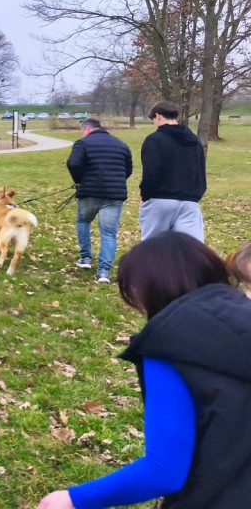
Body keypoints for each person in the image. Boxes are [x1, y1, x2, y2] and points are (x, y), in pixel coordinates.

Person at [37, 231, 251, 509]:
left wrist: (74, 499)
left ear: (146, 289)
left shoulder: (169, 345)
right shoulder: (243, 313)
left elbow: (164, 470)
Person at [66, 118, 133, 283]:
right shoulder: (121, 145)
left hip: (89, 192)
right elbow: (128, 170)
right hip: (114, 194)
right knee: (109, 233)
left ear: (87, 130)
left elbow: (73, 163)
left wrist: (80, 179)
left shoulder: (82, 143)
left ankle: (86, 258)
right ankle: (104, 272)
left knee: (83, 221)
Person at [138, 101, 207, 242]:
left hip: (160, 200)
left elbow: (151, 172)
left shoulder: (154, 140)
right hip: (190, 201)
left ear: (157, 116)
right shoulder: (194, 141)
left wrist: (145, 196)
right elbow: (200, 170)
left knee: (154, 248)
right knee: (190, 249)